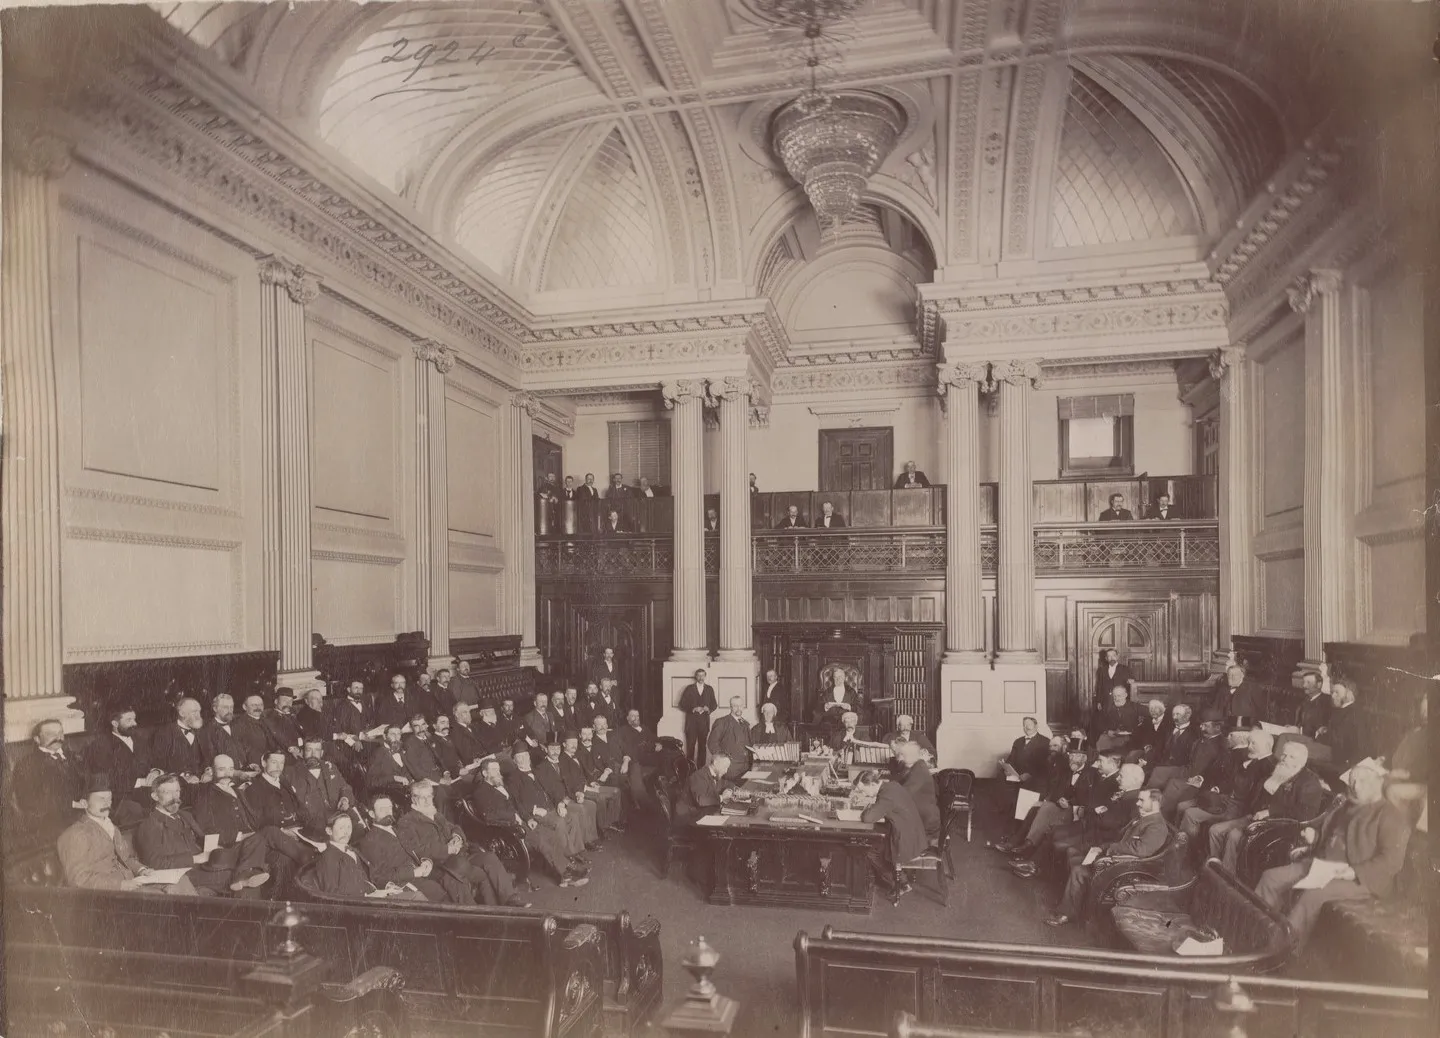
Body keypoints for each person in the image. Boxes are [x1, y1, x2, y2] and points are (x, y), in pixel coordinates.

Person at [1256, 758, 1411, 952]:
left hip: (1362, 879)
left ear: (1377, 783)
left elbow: (1392, 862)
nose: (1355, 785)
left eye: (1362, 781)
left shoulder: (1390, 815)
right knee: (1270, 877)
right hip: (1323, 866)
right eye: (1353, 780)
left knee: (1312, 896)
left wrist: (1353, 871)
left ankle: (1278, 952)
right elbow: (1330, 835)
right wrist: (1315, 838)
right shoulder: (1347, 806)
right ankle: (1256, 934)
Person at [1045, 787, 1169, 927]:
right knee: (1074, 857)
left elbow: (1141, 851)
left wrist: (1110, 849)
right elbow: (1122, 840)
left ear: (1155, 802)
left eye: (1141, 800)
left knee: (1079, 871)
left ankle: (1068, 914)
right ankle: (1077, 906)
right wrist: (1103, 847)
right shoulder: (1145, 818)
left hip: (1124, 869)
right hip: (1119, 862)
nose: (1137, 803)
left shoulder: (1157, 826)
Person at [135, 774, 271, 896]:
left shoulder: (185, 815)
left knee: (256, 840)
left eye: (177, 791)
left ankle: (244, 873)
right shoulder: (149, 825)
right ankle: (244, 879)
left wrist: (214, 846)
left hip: (209, 860)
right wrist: (196, 858)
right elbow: (154, 862)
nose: (175, 797)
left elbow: (202, 838)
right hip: (187, 871)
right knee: (238, 877)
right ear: (154, 796)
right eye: (168, 792)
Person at [58, 778, 198, 895]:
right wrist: (121, 885)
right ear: (84, 803)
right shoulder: (76, 834)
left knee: (181, 881)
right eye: (101, 799)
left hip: (133, 884)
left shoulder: (111, 826)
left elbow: (126, 858)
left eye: (109, 798)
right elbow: (79, 879)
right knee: (160, 898)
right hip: (108, 894)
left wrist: (143, 870)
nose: (107, 803)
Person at [396, 780, 524, 906]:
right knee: (481, 875)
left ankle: (511, 900)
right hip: (442, 863)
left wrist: (457, 837)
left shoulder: (435, 814)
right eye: (422, 797)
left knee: (489, 858)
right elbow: (418, 850)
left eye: (429, 796)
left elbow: (454, 827)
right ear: (413, 799)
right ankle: (490, 914)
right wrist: (447, 849)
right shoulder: (406, 822)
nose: (427, 800)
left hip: (460, 854)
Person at [196, 754, 315, 886]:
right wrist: (239, 836)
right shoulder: (204, 794)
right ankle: (311, 858)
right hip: (231, 845)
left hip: (253, 841)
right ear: (212, 771)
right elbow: (205, 828)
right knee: (271, 832)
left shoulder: (237, 790)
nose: (227, 774)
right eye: (221, 769)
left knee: (282, 859)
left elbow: (254, 820)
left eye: (230, 769)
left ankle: (265, 892)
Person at [1211, 739, 1327, 872]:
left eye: (1291, 757)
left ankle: (1228, 873)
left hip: (1279, 826)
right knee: (1215, 830)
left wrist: (1270, 811)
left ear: (1301, 762)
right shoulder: (1278, 770)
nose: (1284, 759)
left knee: (1234, 835)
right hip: (1255, 817)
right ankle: (1215, 867)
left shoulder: (1309, 783)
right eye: (1284, 754)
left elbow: (1304, 814)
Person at [472, 759, 587, 887]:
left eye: (498, 769)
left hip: (522, 823)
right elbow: (489, 816)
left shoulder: (501, 785)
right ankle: (566, 875)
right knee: (541, 841)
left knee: (551, 835)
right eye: (493, 770)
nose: (498, 772)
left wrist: (528, 819)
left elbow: (517, 804)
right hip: (507, 829)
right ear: (484, 773)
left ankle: (566, 870)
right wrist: (513, 817)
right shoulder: (480, 792)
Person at [355, 793, 466, 904]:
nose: (387, 812)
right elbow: (379, 877)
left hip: (425, 871)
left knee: (455, 880)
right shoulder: (369, 841)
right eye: (382, 809)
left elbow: (418, 850)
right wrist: (414, 872)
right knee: (441, 895)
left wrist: (426, 861)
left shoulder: (399, 829)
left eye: (389, 808)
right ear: (372, 814)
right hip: (407, 881)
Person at [1179, 730, 1275, 851]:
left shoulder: (1269, 767)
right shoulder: (1254, 761)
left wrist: (1245, 770)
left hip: (1238, 810)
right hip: (1228, 801)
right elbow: (1232, 782)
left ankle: (1189, 854)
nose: (1249, 747)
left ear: (1266, 746)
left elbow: (1249, 795)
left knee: (1192, 814)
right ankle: (1187, 852)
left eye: (1253, 744)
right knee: (1190, 811)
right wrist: (1220, 789)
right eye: (1249, 743)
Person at [1001, 749, 1092, 859]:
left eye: (1076, 757)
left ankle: (1026, 847)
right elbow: (1057, 791)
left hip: (1076, 810)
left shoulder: (1091, 774)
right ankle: (1027, 843)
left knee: (1044, 809)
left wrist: (1070, 803)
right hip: (1060, 806)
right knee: (1042, 807)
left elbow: (1088, 798)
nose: (1072, 759)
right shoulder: (1066, 771)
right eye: (1070, 756)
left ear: (1084, 759)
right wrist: (1060, 799)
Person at [509, 747, 590, 866]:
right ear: (514, 761)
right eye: (519, 757)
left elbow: (552, 790)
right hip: (536, 813)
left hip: (551, 808)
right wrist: (534, 810)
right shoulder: (513, 778)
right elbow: (516, 802)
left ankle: (577, 851)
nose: (523, 759)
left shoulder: (537, 771)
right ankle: (567, 855)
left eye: (525, 755)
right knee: (559, 822)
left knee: (572, 817)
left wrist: (559, 803)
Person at [315, 811, 423, 900]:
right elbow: (332, 895)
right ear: (329, 831)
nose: (346, 832)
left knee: (418, 895)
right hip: (363, 905)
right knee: (417, 898)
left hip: (376, 894)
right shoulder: (327, 857)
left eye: (349, 827)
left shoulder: (353, 850)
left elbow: (370, 876)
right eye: (341, 828)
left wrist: (387, 886)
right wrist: (367, 896)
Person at [85, 707, 160, 828]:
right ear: (115, 723)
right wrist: (140, 782)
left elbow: (155, 761)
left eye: (134, 719)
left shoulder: (140, 739)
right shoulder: (101, 746)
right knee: (135, 811)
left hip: (148, 791)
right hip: (121, 796)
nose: (135, 723)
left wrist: (155, 771)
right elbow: (107, 779)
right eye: (129, 720)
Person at [855, 769, 927, 895]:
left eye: (863, 790)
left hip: (906, 839)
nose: (863, 794)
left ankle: (899, 884)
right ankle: (902, 881)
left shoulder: (887, 796)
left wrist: (867, 808)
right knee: (876, 842)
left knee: (869, 850)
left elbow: (868, 818)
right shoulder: (891, 786)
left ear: (872, 785)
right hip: (912, 832)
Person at [13, 718, 85, 838]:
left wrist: (87, 798)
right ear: (37, 739)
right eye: (51, 734)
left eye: (60, 733)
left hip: (83, 812)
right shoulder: (27, 764)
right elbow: (29, 800)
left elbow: (88, 780)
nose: (58, 737)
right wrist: (71, 804)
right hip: (51, 819)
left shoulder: (74, 756)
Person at [1157, 711, 1230, 820]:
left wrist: (1200, 779)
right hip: (1190, 772)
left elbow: (1218, 772)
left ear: (1217, 727)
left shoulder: (1222, 745)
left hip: (1202, 782)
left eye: (1205, 725)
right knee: (1161, 774)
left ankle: (1161, 818)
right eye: (1201, 725)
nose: (1201, 728)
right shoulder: (1200, 740)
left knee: (1173, 785)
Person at [535, 737, 601, 847]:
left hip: (571, 795)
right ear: (546, 750)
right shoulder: (541, 768)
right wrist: (562, 800)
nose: (555, 752)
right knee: (581, 809)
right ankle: (586, 842)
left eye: (557, 749)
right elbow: (549, 789)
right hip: (557, 800)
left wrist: (578, 792)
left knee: (591, 805)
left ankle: (591, 837)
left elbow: (575, 779)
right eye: (552, 749)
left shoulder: (564, 762)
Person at [287, 737, 356, 830]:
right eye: (309, 750)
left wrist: (344, 799)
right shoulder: (291, 772)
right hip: (312, 826)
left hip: (338, 819)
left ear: (322, 753)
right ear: (302, 753)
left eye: (317, 750)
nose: (313, 754)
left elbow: (345, 787)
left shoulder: (330, 767)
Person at [561, 733, 621, 831]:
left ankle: (610, 822)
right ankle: (603, 828)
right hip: (578, 791)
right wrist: (585, 788)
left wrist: (592, 782)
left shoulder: (577, 755)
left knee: (616, 791)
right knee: (600, 798)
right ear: (564, 744)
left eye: (575, 743)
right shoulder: (562, 759)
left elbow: (585, 772)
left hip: (588, 785)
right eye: (571, 743)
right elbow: (569, 782)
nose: (574, 745)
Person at [1385, 695, 1427, 820]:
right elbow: (1398, 757)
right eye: (1423, 712)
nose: (1424, 714)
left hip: (1427, 785)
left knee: (1391, 790)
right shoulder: (1416, 733)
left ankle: (1406, 827)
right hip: (1410, 779)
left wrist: (1406, 774)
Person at [244, 750, 307, 831]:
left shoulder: (285, 784)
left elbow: (301, 809)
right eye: (274, 762)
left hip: (297, 829)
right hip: (276, 836)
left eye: (281, 763)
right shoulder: (253, 789)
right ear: (264, 763)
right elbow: (258, 823)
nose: (278, 767)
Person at [151, 698, 209, 784]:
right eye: (194, 712)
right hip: (176, 784)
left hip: (201, 783)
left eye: (199, 711)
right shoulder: (164, 733)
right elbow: (159, 765)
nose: (198, 716)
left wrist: (208, 771)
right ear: (182, 713)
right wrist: (183, 778)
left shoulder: (202, 732)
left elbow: (208, 758)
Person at [200, 693, 259, 774]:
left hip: (246, 772)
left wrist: (251, 764)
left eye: (231, 707)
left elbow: (246, 749)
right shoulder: (207, 730)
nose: (230, 710)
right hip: (226, 777)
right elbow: (210, 762)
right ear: (215, 708)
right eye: (225, 707)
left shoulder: (238, 725)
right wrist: (234, 773)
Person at [1139, 703, 1196, 787]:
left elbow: (1191, 758)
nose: (1174, 717)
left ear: (1187, 716)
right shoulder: (1168, 729)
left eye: (1178, 714)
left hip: (1178, 768)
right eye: (1173, 714)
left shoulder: (1194, 733)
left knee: (1155, 773)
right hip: (1161, 763)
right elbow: (1158, 747)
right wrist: (1146, 759)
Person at [894, 741, 940, 842]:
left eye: (903, 754)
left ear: (912, 755)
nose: (900, 757)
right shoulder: (915, 766)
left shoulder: (919, 769)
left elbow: (905, 792)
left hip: (925, 823)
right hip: (920, 816)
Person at [1319, 680, 1367, 771]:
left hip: (1339, 756)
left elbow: (1340, 740)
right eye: (1332, 692)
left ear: (1349, 694)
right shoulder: (1341, 710)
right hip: (1333, 751)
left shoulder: (1354, 714)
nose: (1332, 696)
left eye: (1337, 692)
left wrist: (1323, 732)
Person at [1208, 664, 1269, 729]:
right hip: (1224, 726)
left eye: (1234, 675)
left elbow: (1262, 710)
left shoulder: (1252, 688)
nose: (1230, 677)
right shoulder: (1222, 690)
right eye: (1229, 675)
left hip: (1246, 727)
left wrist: (1256, 726)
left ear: (1242, 675)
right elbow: (1215, 709)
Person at [678, 669, 717, 768]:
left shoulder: (709, 689)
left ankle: (700, 769)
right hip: (691, 724)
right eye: (699, 675)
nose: (701, 678)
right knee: (690, 747)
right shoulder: (689, 688)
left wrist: (709, 709)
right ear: (696, 676)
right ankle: (690, 769)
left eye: (702, 675)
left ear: (705, 676)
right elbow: (681, 704)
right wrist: (693, 708)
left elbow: (714, 704)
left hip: (704, 724)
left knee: (702, 747)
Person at [1000, 717, 1050, 793]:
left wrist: (1030, 774)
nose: (1026, 727)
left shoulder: (1045, 741)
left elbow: (1046, 765)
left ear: (1036, 726)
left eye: (1029, 725)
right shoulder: (1018, 741)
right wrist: (1007, 769)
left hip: (1034, 777)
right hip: (1016, 776)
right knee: (1000, 779)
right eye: (1024, 725)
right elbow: (1011, 759)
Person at [679, 754, 733, 823]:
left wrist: (729, 790)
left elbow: (728, 784)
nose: (726, 771)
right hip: (689, 819)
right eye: (725, 767)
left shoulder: (713, 774)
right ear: (715, 763)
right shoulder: (699, 776)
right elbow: (701, 800)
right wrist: (722, 797)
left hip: (702, 814)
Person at [707, 697, 752, 780]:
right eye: (735, 706)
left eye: (740, 706)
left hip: (746, 768)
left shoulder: (746, 724)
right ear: (731, 707)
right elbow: (712, 743)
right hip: (730, 769)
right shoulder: (722, 722)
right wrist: (723, 761)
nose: (738, 708)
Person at [1092, 686, 1145, 754]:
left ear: (1125, 695)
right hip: (1112, 737)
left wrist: (1140, 726)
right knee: (1102, 742)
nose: (1116, 698)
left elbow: (1151, 713)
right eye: (1115, 696)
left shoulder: (1134, 706)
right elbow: (1099, 722)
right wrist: (1107, 731)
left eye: (1119, 696)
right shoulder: (1107, 707)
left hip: (1131, 737)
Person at [1125, 699, 1173, 766]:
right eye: (1151, 709)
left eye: (1155, 708)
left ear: (1162, 709)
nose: (1152, 711)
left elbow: (1166, 742)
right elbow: (1137, 735)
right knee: (1132, 755)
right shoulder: (1147, 720)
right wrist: (1145, 745)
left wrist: (1151, 749)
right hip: (1146, 750)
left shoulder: (1169, 722)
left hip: (1160, 752)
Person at [233, 695, 273, 767]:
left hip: (272, 762)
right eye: (254, 705)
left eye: (261, 705)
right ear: (244, 707)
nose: (258, 708)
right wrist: (248, 765)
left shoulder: (267, 720)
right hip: (254, 765)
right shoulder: (238, 724)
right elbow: (238, 749)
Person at [262, 689, 304, 758]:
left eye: (290, 701)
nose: (288, 704)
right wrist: (295, 749)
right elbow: (280, 740)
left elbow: (303, 733)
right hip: (286, 754)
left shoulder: (292, 716)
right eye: (284, 700)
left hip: (301, 751)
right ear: (276, 701)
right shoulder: (271, 719)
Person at [1292, 671, 1332, 738]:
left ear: (1319, 684)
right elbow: (1299, 722)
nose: (1304, 685)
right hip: (1299, 737)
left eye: (1308, 682)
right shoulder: (1303, 701)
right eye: (1304, 682)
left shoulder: (1327, 702)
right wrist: (1293, 727)